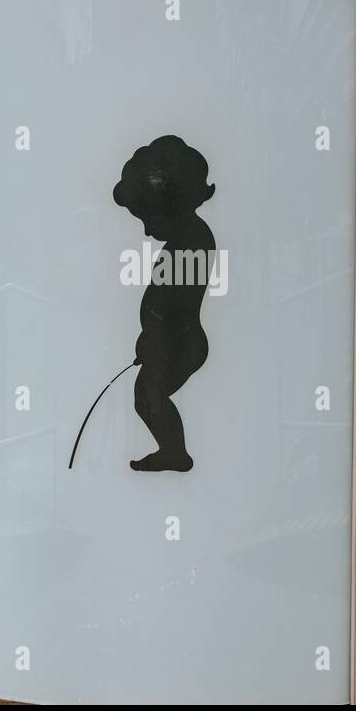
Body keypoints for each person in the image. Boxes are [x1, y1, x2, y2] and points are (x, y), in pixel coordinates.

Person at [111, 134, 217, 473]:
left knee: (151, 398)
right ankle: (172, 451)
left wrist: (153, 334)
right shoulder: (188, 238)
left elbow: (172, 300)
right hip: (166, 339)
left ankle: (175, 453)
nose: (146, 231)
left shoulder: (192, 240)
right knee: (146, 399)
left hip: (179, 339)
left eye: (149, 219)